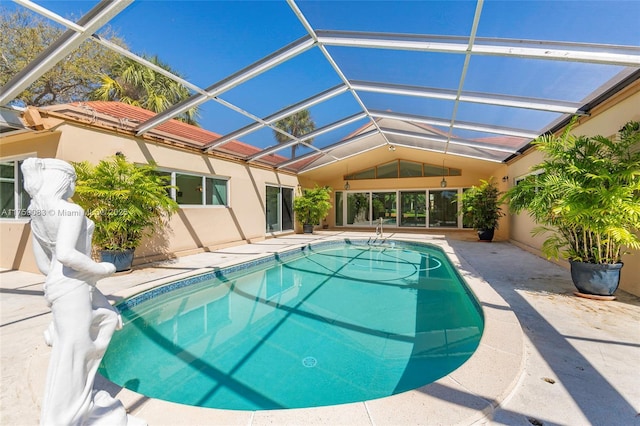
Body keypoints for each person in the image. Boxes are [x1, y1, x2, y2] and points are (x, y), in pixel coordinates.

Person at [21, 158, 144, 426]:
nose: (75, 184)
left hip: (60, 284)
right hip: (74, 285)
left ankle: (80, 400)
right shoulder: (71, 211)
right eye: (73, 179)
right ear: (62, 182)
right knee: (74, 354)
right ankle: (68, 417)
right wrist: (102, 269)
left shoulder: (38, 216)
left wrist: (81, 278)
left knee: (109, 319)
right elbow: (66, 254)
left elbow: (45, 264)